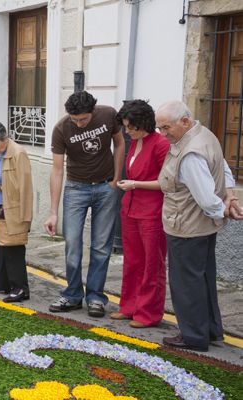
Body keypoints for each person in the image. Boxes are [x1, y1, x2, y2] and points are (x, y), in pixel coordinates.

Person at [155, 101, 243, 352]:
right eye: (160, 128)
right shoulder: (205, 134)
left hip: (186, 226)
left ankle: (193, 336)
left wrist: (222, 209)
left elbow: (205, 198)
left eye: (166, 127)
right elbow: (223, 167)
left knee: (186, 283)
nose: (162, 133)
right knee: (203, 278)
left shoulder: (190, 153)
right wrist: (230, 197)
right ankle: (211, 330)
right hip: (200, 226)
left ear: (184, 121)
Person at [43, 91, 124, 318]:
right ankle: (72, 295)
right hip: (76, 188)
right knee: (73, 244)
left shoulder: (108, 115)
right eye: (75, 119)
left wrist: (117, 179)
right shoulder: (61, 129)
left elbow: (119, 144)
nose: (79, 124)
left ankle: (96, 297)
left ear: (93, 110)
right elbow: (57, 170)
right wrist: (53, 212)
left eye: (83, 119)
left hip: (106, 187)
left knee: (101, 246)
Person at [111, 100, 170, 328]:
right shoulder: (136, 141)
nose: (127, 131)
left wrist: (135, 184)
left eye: (130, 127)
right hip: (131, 209)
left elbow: (167, 182)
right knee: (133, 261)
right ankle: (129, 307)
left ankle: (148, 313)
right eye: (125, 126)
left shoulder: (161, 144)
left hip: (152, 212)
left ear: (143, 123)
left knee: (152, 264)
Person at [0, 121, 33, 303]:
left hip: (13, 207)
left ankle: (20, 288)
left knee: (13, 248)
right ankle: (2, 283)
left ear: (5, 139)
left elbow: (23, 187)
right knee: (0, 247)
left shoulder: (18, 153)